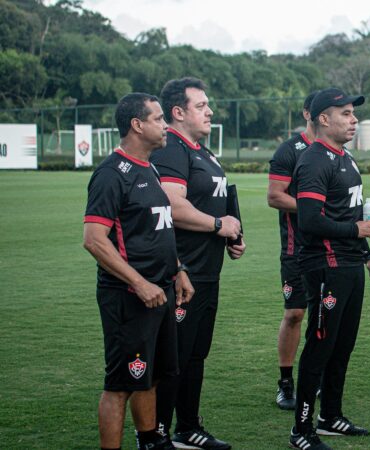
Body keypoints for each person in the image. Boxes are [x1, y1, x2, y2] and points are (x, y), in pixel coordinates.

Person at [83, 92, 194, 450]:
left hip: (161, 291)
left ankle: (151, 441)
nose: (165, 126)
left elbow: (158, 231)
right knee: (120, 385)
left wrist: (178, 270)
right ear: (137, 125)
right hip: (128, 297)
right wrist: (139, 283)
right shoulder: (111, 174)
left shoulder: (151, 168)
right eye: (158, 119)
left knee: (151, 376)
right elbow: (94, 240)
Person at [151, 77, 246, 450]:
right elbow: (172, 205)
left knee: (195, 354)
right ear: (178, 112)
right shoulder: (171, 149)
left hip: (207, 272)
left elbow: (215, 203)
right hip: (181, 273)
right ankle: (157, 434)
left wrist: (231, 236)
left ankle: (188, 427)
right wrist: (219, 225)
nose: (210, 111)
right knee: (174, 357)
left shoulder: (203, 152)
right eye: (201, 105)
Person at [289, 88, 370, 450]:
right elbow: (310, 221)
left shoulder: (346, 157)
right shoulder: (314, 160)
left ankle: (330, 417)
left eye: (353, 113)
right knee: (320, 347)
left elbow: (352, 214)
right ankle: (301, 430)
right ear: (323, 119)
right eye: (345, 113)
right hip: (325, 265)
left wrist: (367, 254)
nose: (353, 119)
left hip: (350, 264)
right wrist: (354, 232)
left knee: (342, 347)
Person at [268, 91, 319, 410]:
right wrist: (313, 209)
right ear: (307, 114)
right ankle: (286, 382)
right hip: (296, 248)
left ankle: (316, 376)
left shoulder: (340, 152)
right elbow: (275, 196)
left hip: (331, 248)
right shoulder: (290, 150)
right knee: (295, 313)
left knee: (325, 316)